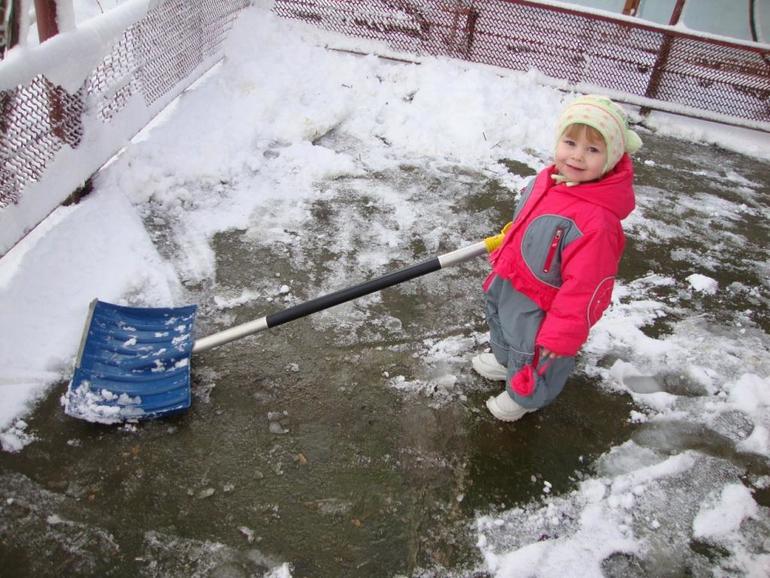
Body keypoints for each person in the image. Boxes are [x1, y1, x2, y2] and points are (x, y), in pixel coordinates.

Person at [473, 94, 642, 422]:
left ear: (611, 159)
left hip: (547, 302)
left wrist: (563, 334)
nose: (577, 156)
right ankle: (506, 362)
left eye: (593, 150)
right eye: (570, 143)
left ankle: (527, 395)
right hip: (514, 276)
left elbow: (587, 286)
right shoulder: (547, 179)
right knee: (502, 325)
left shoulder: (598, 221)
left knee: (535, 350)